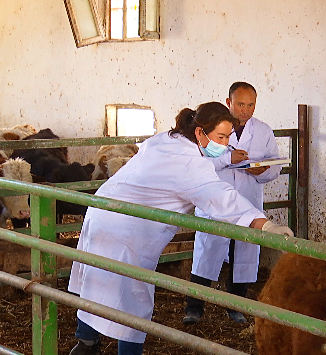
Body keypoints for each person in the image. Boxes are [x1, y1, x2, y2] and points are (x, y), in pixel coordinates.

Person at [67, 101, 293, 355]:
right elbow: (222, 197)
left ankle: (85, 343)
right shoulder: (191, 164)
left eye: (228, 136)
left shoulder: (167, 139)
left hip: (101, 210)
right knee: (134, 298)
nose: (226, 143)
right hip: (129, 229)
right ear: (200, 133)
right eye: (220, 136)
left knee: (95, 280)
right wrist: (264, 224)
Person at [183, 82, 282, 325]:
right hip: (215, 199)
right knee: (207, 250)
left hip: (248, 199)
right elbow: (199, 163)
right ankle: (194, 307)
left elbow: (276, 165)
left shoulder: (263, 131)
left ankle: (236, 305)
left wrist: (263, 172)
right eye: (240, 104)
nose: (245, 110)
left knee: (245, 252)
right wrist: (229, 159)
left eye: (250, 105)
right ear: (229, 103)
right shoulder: (209, 129)